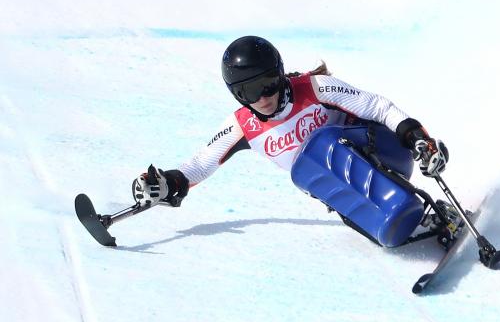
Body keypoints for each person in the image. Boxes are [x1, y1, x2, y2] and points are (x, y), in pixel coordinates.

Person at [131, 35, 448, 210]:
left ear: (280, 74)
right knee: (305, 171)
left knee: (321, 146)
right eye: (248, 91)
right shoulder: (244, 125)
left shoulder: (313, 88)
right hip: (343, 187)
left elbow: (377, 107)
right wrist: (169, 183)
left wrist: (418, 138)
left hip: (384, 153)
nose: (263, 97)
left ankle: (412, 207)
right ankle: (400, 222)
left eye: (268, 82)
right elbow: (202, 163)